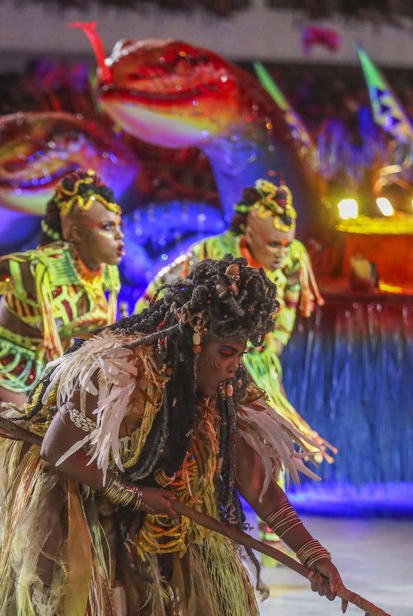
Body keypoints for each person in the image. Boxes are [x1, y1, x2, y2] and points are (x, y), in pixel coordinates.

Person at [0, 256, 342, 616]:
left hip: (167, 496)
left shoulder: (230, 386)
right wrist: (134, 495)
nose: (236, 364)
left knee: (217, 585)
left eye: (241, 352)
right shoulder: (120, 367)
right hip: (79, 482)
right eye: (227, 352)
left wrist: (312, 553)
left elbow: (258, 488)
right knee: (49, 587)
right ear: (195, 338)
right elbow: (58, 450)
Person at [139, 179, 328, 550]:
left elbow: (290, 301)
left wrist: (270, 344)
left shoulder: (294, 258)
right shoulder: (211, 251)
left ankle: (272, 530)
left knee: (269, 435)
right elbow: (160, 289)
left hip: (257, 360)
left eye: (286, 245)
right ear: (248, 232)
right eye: (273, 244)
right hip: (199, 360)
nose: (281, 253)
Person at [0, 169, 123, 425]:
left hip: (42, 377)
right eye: (107, 227)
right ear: (77, 234)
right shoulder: (38, 269)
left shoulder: (105, 277)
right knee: (25, 438)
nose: (119, 236)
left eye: (118, 226)